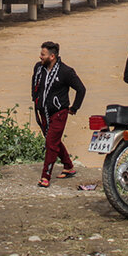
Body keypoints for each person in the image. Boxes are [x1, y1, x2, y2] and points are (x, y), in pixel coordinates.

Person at [32, 41, 86, 188]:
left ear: (52, 56)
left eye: (43, 54)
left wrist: (74, 108)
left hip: (59, 113)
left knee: (50, 143)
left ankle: (45, 176)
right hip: (43, 113)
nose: (40, 57)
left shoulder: (66, 71)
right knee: (54, 141)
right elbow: (34, 84)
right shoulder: (39, 68)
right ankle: (68, 166)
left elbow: (81, 89)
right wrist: (35, 100)